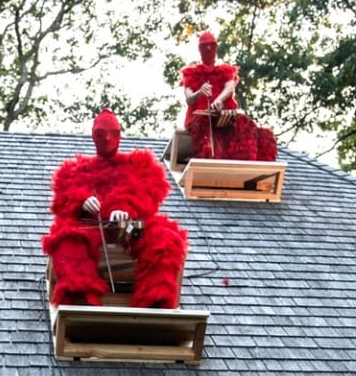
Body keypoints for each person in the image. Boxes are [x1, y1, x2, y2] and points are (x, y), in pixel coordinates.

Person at [43, 109, 189, 309]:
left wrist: (125, 208)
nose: (108, 139)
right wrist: (81, 202)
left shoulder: (139, 167)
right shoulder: (74, 172)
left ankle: (154, 300)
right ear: (94, 137)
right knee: (67, 239)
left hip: (128, 230)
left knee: (164, 238)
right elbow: (63, 202)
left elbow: (149, 194)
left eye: (113, 133)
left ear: (120, 134)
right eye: (101, 134)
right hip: (92, 230)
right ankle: (81, 300)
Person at [180, 31, 277, 162]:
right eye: (204, 46)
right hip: (200, 119)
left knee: (244, 124)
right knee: (202, 127)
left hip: (224, 116)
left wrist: (218, 101)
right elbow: (189, 98)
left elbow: (230, 88)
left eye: (211, 46)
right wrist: (200, 92)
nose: (208, 49)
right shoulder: (191, 74)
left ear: (216, 48)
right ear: (200, 50)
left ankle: (245, 159)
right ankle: (208, 157)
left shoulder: (225, 71)